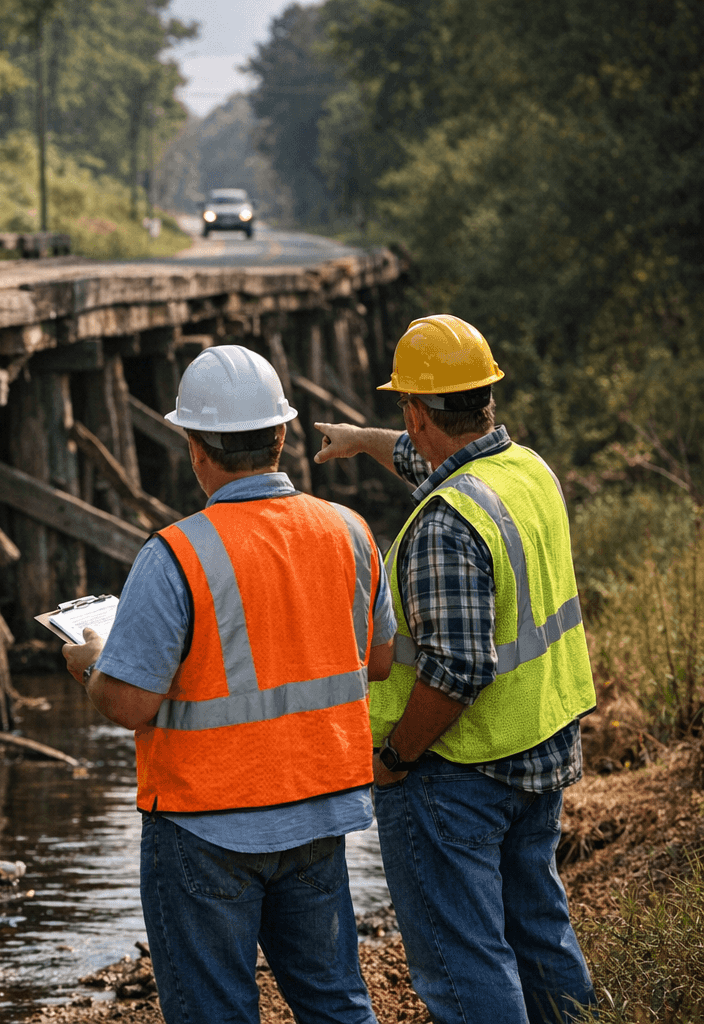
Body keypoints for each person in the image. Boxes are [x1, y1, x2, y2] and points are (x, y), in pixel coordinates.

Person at [62, 344, 395, 1024]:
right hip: (317, 810)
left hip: (204, 825)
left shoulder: (175, 554)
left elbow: (130, 703)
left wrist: (91, 665)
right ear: (281, 436)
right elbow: (379, 659)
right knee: (336, 1004)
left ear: (195, 449)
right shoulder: (351, 533)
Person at [314, 314, 597, 1024]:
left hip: (455, 771)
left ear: (415, 409)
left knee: (465, 961)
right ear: (484, 399)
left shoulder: (445, 524)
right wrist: (357, 441)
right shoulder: (525, 471)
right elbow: (424, 459)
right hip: (540, 747)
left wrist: (395, 757)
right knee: (539, 933)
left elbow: (455, 673)